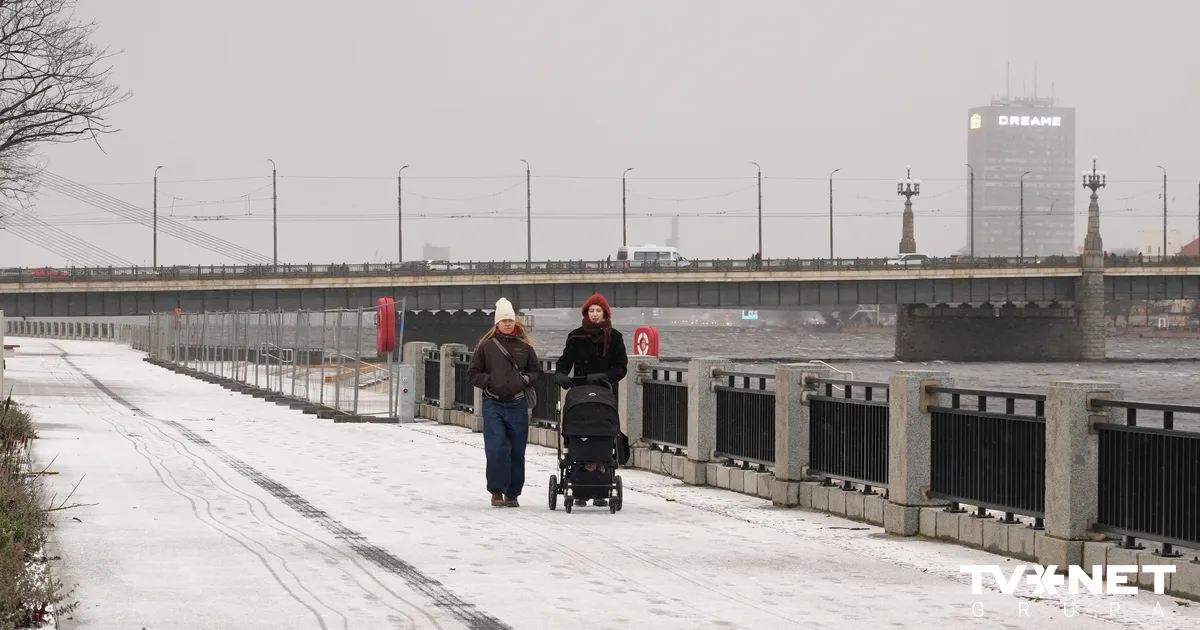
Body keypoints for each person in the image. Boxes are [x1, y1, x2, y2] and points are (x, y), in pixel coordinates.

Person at [553, 293, 628, 507]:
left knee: (601, 433)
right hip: (580, 393)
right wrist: (561, 374)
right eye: (591, 311)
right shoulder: (576, 336)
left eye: (598, 311)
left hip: (604, 393)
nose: (595, 315)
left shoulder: (614, 337)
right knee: (580, 433)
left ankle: (600, 482)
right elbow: (565, 361)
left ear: (605, 313)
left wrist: (605, 376)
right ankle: (580, 480)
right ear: (586, 313)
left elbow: (621, 366)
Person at [467, 297, 541, 508]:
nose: (508, 324)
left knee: (517, 450)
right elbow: (472, 373)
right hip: (493, 404)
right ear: (497, 323)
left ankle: (513, 492)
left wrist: (525, 380)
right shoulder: (486, 347)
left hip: (518, 404)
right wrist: (490, 382)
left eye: (510, 320)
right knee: (496, 447)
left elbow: (536, 371)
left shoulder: (524, 347)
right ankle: (496, 490)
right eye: (504, 320)